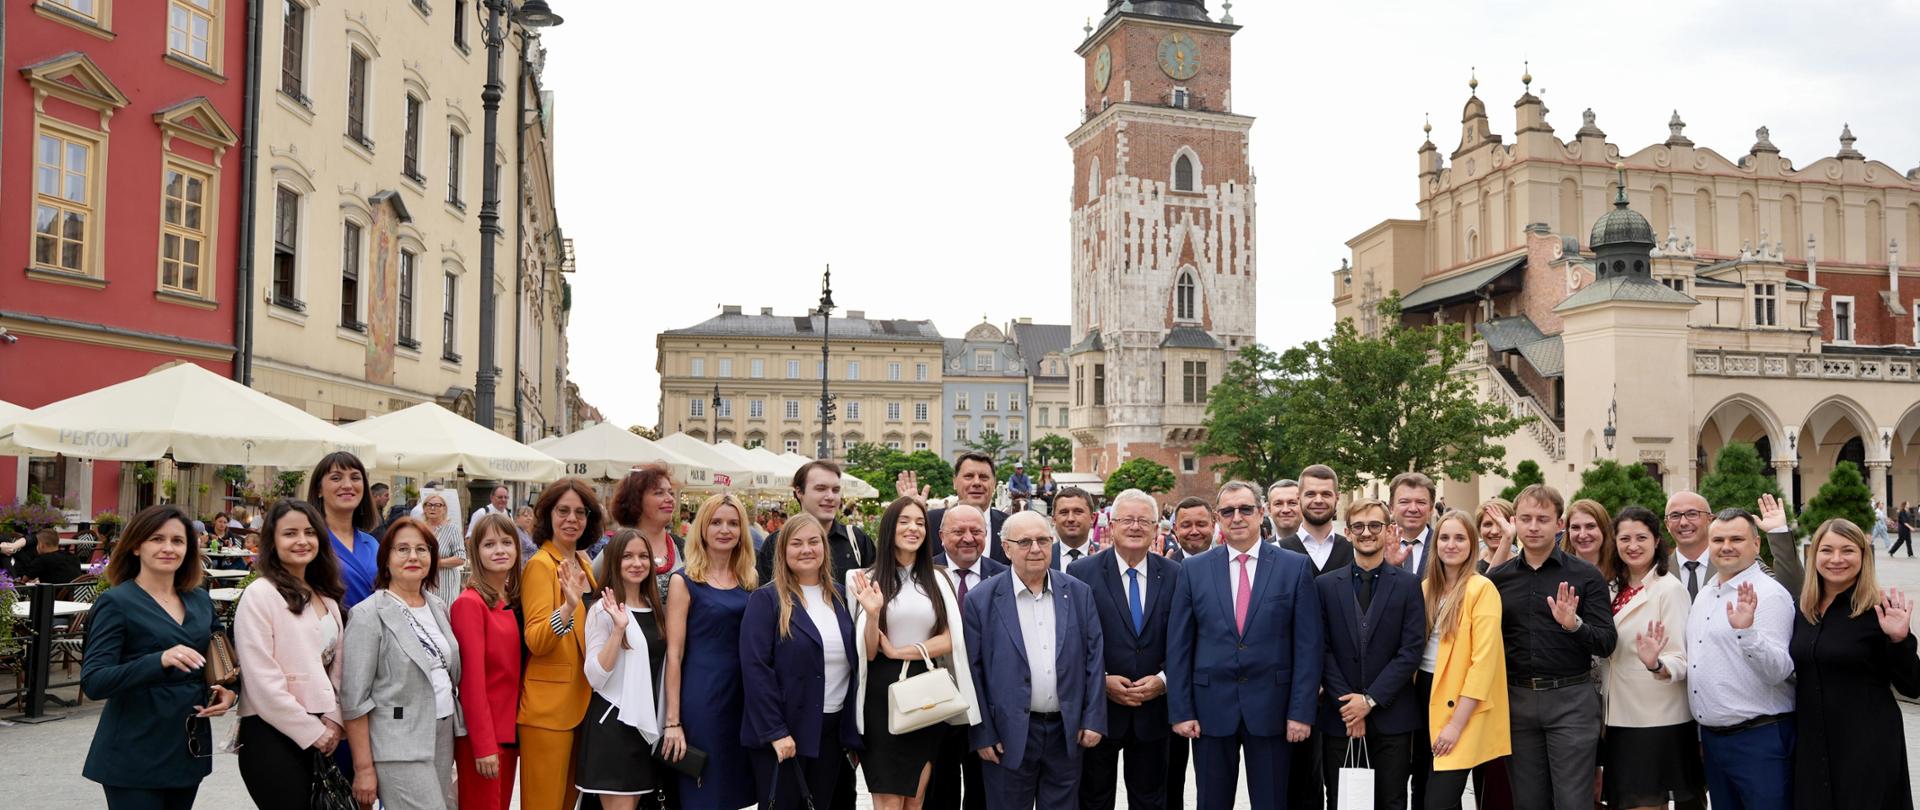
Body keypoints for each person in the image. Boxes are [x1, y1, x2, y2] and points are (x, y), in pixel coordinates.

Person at [1166, 480, 1323, 810]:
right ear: (1217, 517)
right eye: (1228, 511)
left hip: (1273, 711)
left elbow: (1308, 647)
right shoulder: (1193, 570)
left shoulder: (1293, 567)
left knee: (1271, 802)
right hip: (1210, 711)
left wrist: (1301, 712)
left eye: (1245, 509)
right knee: (1211, 802)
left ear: (1260, 513)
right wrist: (1181, 710)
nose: (1237, 517)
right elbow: (1179, 646)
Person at [80, 504, 235, 810]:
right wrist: (158, 660)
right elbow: (95, 681)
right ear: (136, 545)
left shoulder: (200, 600)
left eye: (177, 541)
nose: (168, 548)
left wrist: (228, 692)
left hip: (188, 746)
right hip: (134, 750)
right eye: (156, 539)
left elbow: (221, 657)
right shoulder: (117, 602)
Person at [965, 510, 1107, 809]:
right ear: (1006, 547)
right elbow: (972, 672)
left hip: (1065, 733)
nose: (1035, 549)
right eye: (1025, 541)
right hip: (1007, 734)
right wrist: (982, 733)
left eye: (1043, 540)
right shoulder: (981, 599)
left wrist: (1093, 719)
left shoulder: (1078, 593)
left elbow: (1094, 660)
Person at [1487, 484, 1615, 810]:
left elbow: (1606, 641)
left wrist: (1574, 625)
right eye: (1526, 518)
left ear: (1559, 524)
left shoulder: (1586, 576)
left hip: (1571, 700)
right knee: (1528, 802)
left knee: (1573, 802)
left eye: (1542, 519)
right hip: (1516, 701)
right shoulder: (1498, 579)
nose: (1533, 527)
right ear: (1514, 521)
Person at [848, 496, 980, 810]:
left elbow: (951, 638)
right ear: (889, 528)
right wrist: (872, 613)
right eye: (905, 521)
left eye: (920, 522)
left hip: (925, 692)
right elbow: (866, 653)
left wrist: (900, 651)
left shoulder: (938, 578)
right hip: (880, 697)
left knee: (915, 800)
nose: (913, 528)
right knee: (889, 801)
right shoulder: (864, 579)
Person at [1790, 518, 1920, 810]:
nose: (1836, 559)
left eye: (1847, 550)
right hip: (1814, 745)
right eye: (1827, 550)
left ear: (1864, 556)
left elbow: (1912, 686)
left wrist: (1900, 641)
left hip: (1867, 747)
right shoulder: (1803, 609)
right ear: (1814, 556)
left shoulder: (1880, 610)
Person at [341, 518, 463, 810]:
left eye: (422, 549)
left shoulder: (437, 606)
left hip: (442, 732)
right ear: (386, 561)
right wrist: (364, 767)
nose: (413, 556)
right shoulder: (368, 614)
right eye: (402, 549)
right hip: (397, 743)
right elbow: (354, 699)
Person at [1069, 489, 1179, 810]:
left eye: (1143, 520)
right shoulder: (1081, 574)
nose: (1135, 527)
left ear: (1157, 528)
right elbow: (1073, 640)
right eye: (1127, 520)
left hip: (1155, 711)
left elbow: (1186, 639)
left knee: (1150, 800)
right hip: (1098, 712)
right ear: (1111, 526)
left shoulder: (1175, 575)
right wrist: (1100, 680)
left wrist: (1163, 680)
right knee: (1093, 798)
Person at [741, 515, 862, 810]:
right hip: (785, 732)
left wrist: (852, 734)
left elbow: (856, 665)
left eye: (813, 542)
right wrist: (776, 732)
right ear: (783, 551)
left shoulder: (842, 597)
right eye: (796, 543)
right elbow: (755, 670)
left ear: (824, 547)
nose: (806, 549)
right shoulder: (766, 600)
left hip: (831, 733)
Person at [235, 500, 348, 808]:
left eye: (310, 532)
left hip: (324, 729)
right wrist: (311, 730)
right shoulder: (260, 594)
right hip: (272, 734)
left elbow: (338, 668)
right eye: (290, 533)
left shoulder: (327, 596)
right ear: (272, 541)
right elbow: (261, 680)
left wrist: (335, 720)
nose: (301, 541)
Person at [1314, 498, 1425, 810]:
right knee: (1344, 802)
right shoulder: (1324, 586)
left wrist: (1370, 700)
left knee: (1392, 802)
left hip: (1393, 718)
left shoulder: (1408, 585)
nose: (1367, 532)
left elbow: (1411, 650)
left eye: (1375, 525)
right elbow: (1320, 649)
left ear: (1389, 531)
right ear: (1347, 532)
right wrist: (1350, 706)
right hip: (1341, 719)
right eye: (1358, 526)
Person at [1684, 507, 1795, 810]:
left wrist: (1747, 635)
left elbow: (1780, 670)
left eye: (1737, 538)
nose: (1726, 546)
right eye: (1718, 539)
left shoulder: (1769, 594)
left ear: (1757, 545)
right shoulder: (1707, 593)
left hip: (1759, 740)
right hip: (1714, 741)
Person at [660, 492, 758, 810]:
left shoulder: (750, 579)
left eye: (732, 523)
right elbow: (674, 654)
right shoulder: (684, 580)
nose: (724, 529)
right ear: (702, 528)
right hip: (702, 698)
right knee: (703, 791)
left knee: (735, 793)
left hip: (743, 698)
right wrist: (673, 722)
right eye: (716, 522)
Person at [1600, 506, 1701, 810]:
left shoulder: (1669, 589)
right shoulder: (1611, 588)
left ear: (1657, 541)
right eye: (1625, 538)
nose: (1633, 546)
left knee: (1645, 804)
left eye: (1641, 537)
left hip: (1656, 720)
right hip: (1617, 717)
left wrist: (1656, 663)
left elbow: (1682, 660)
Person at [518, 477, 603, 810]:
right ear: (548, 515)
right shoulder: (540, 565)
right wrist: (567, 608)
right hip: (548, 711)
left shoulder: (582, 563)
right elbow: (537, 639)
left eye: (580, 512)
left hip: (581, 705)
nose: (572, 519)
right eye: (563, 511)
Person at [1421, 509, 1510, 810]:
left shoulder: (1481, 589)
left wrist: (1456, 724)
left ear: (1472, 544)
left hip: (1462, 703)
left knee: (1439, 801)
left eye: (1460, 538)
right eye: (1444, 537)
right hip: (1425, 693)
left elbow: (1483, 663)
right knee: (1431, 792)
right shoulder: (1426, 589)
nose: (1451, 544)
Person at [577, 529, 668, 807]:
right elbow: (594, 675)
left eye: (643, 556)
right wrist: (618, 631)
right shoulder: (602, 610)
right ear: (614, 561)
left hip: (646, 725)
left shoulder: (656, 607)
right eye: (627, 556)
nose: (636, 563)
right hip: (615, 726)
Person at [927, 503, 1005, 810]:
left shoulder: (1005, 578)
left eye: (976, 531)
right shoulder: (922, 575)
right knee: (938, 794)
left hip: (987, 707)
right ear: (942, 535)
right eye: (958, 531)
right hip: (936, 706)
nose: (968, 538)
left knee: (983, 794)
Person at [451, 513, 526, 810]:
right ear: (475, 552)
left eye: (507, 542)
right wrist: (483, 746)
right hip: (484, 739)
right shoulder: (469, 604)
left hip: (509, 733)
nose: (500, 550)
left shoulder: (508, 600)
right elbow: (470, 682)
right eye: (489, 544)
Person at [757, 460, 876, 592]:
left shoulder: (857, 541)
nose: (830, 496)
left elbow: (881, 588)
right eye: (821, 489)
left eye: (835, 490)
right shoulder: (776, 543)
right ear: (799, 492)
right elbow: (764, 599)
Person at [1665, 491, 1802, 600]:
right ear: (1667, 525)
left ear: (1710, 520)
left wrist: (1778, 532)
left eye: (1692, 514)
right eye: (1675, 515)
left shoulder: (1741, 560)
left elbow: (1789, 591)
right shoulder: (1657, 570)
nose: (1683, 522)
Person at [308, 451, 380, 608]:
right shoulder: (309, 541)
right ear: (319, 489)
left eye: (355, 478)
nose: (348, 485)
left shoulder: (372, 543)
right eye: (336, 478)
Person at [907, 452, 1009, 561]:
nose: (976, 482)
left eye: (983, 477)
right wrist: (910, 512)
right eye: (969, 476)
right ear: (954, 482)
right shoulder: (929, 522)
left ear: (994, 484)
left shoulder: (1009, 525)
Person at [1278, 465, 1354, 577]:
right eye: (1310, 494)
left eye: (1326, 494)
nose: (1318, 500)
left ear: (1336, 499)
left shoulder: (1354, 550)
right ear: (1299, 499)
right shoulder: (1277, 550)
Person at [1386, 472, 1437, 574]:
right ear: (1391, 507)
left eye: (1421, 502)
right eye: (1404, 502)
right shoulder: (1380, 546)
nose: (1413, 509)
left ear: (1431, 508)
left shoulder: (1443, 546)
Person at [422, 491, 468, 600]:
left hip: (445, 583)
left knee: (444, 614)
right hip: (423, 581)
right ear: (424, 508)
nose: (433, 508)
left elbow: (461, 558)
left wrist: (436, 563)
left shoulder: (452, 529)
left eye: (437, 505)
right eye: (429, 505)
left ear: (444, 509)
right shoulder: (419, 529)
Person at [1561, 499, 1618, 583]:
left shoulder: (1623, 572)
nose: (1582, 535)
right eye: (1575, 527)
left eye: (1590, 526)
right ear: (1568, 531)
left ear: (1604, 528)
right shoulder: (1555, 572)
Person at [15, 527, 82, 584]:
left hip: (54, 597)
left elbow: (23, 580)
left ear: (41, 545)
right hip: (76, 596)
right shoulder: (73, 557)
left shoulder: (42, 560)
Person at [1051, 487, 1097, 569]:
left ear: (1092, 518)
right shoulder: (1043, 556)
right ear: (1054, 520)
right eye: (1064, 512)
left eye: (1078, 512)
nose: (1070, 519)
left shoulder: (1106, 557)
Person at [1165, 496, 1214, 562]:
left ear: (1213, 526)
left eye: (1201, 525)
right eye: (1186, 526)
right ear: (1175, 529)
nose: (1194, 531)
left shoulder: (1227, 562)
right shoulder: (1166, 568)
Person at [1473, 499, 1515, 573]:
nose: (1494, 531)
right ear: (1479, 529)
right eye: (1488, 524)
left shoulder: (1525, 567)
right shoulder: (1472, 571)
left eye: (1500, 524)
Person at [1265, 479, 1302, 545]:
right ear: (1269, 509)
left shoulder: (1322, 548)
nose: (1285, 510)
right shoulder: (1260, 552)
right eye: (1278, 504)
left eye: (1292, 503)